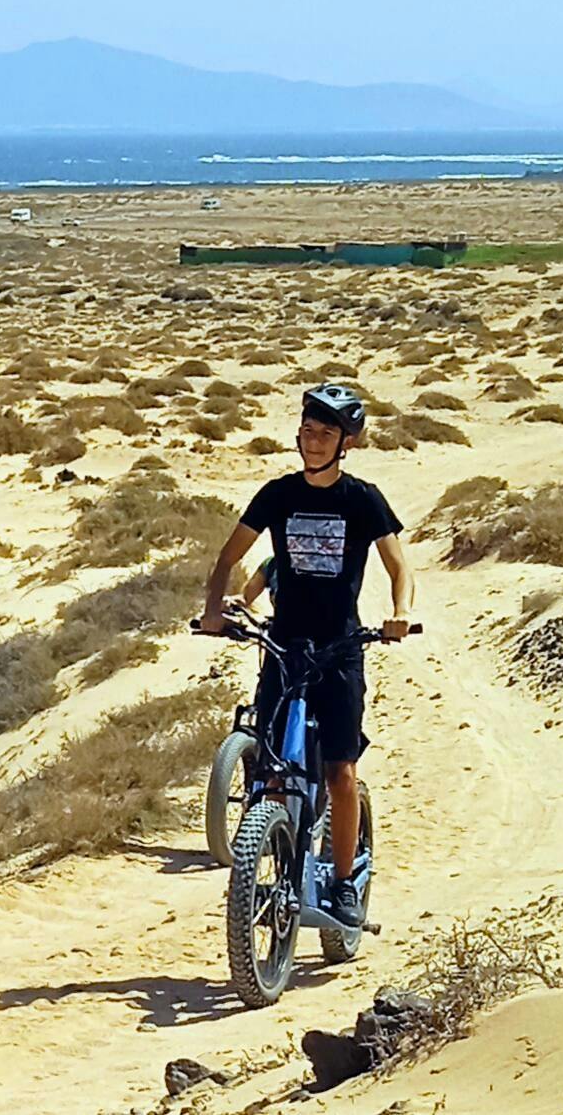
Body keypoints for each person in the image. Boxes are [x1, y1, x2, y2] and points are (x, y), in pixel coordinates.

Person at [200, 383, 415, 928]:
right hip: (284, 645)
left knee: (340, 770)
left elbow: (399, 567)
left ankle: (343, 885)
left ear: (347, 442)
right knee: (271, 770)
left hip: (341, 647)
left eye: (326, 433)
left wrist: (399, 613)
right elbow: (228, 559)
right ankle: (265, 863)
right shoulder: (278, 494)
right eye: (307, 431)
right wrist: (213, 611)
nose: (313, 441)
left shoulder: (362, 499)